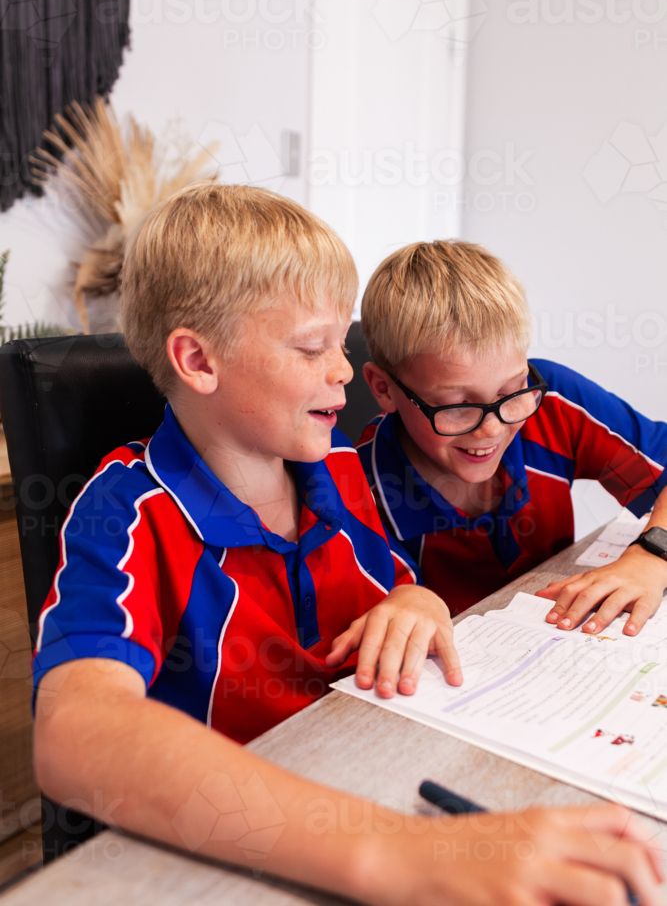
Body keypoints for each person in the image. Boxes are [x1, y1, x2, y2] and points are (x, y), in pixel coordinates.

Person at [33, 187, 663, 906]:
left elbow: (398, 590)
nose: (340, 370)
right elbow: (75, 730)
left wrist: (416, 599)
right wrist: (398, 854)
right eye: (311, 347)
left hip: (374, 780)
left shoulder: (332, 473)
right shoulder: (126, 510)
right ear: (198, 361)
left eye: (341, 342)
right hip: (239, 853)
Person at [358, 240, 667, 636]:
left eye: (512, 391)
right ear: (384, 389)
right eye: (455, 405)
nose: (491, 430)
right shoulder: (358, 491)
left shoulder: (553, 400)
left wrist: (652, 553)